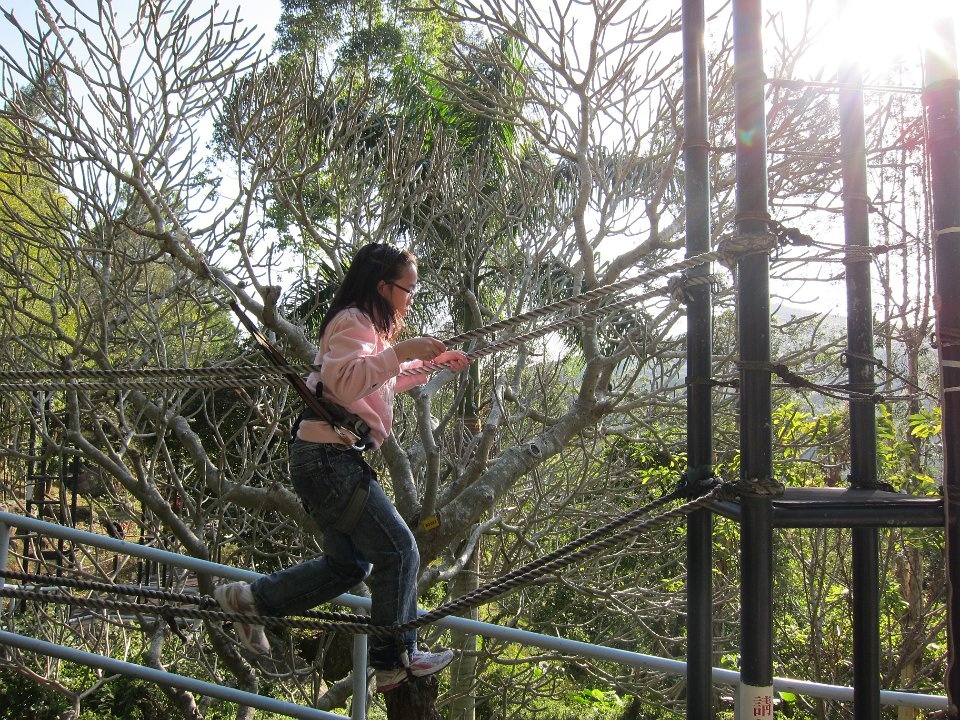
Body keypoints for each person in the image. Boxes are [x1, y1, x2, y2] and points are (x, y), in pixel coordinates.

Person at [215, 242, 471, 692]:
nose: (411, 298)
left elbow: (379, 378)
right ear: (383, 287)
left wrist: (427, 364)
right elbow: (348, 382)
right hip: (328, 460)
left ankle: (251, 600)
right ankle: (394, 660)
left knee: (348, 565)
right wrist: (402, 351)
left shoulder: (369, 331)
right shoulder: (352, 321)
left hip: (327, 459)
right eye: (408, 289)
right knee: (399, 551)